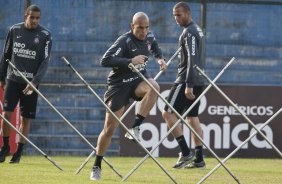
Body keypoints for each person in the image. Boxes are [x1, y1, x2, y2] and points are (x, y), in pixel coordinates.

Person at [90, 12, 166, 180]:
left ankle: (135, 127)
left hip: (138, 81)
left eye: (146, 28)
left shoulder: (149, 36)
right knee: (109, 130)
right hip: (119, 85)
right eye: (140, 28)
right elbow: (105, 60)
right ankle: (97, 165)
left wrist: (160, 59)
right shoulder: (124, 41)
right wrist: (131, 61)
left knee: (154, 86)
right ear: (132, 26)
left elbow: (154, 46)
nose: (144, 31)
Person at [0, 5, 52, 164]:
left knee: (25, 119)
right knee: (6, 114)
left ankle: (19, 152)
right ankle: (5, 148)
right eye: (32, 17)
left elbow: (45, 61)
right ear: (26, 16)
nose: (35, 20)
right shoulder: (14, 30)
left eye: (37, 18)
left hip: (31, 83)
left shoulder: (45, 35)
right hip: (13, 80)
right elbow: (6, 54)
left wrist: (35, 82)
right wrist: (2, 76)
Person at [162, 2, 206, 169]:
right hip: (199, 79)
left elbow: (193, 59)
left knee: (167, 113)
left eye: (179, 15)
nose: (176, 19)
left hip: (186, 80)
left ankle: (186, 152)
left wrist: (188, 84)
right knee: (192, 118)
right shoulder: (198, 30)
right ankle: (199, 159)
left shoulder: (189, 32)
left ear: (188, 13)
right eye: (174, 15)